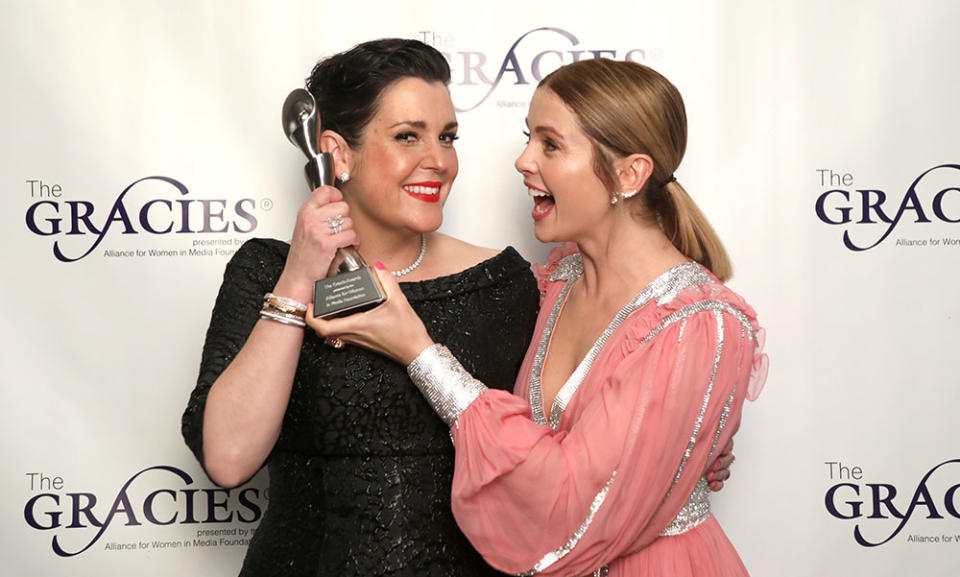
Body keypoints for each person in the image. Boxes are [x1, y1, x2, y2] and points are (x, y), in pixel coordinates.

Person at [309, 58, 768, 577]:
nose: (523, 161)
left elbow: (568, 509)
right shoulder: (551, 284)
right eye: (529, 138)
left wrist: (420, 354)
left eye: (550, 144)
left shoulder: (698, 325)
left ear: (630, 173)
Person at [182, 39, 541, 576]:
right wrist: (300, 275)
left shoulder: (500, 283)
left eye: (447, 137)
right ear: (337, 153)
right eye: (406, 137)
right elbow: (229, 459)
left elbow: (558, 445)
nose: (439, 161)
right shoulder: (265, 271)